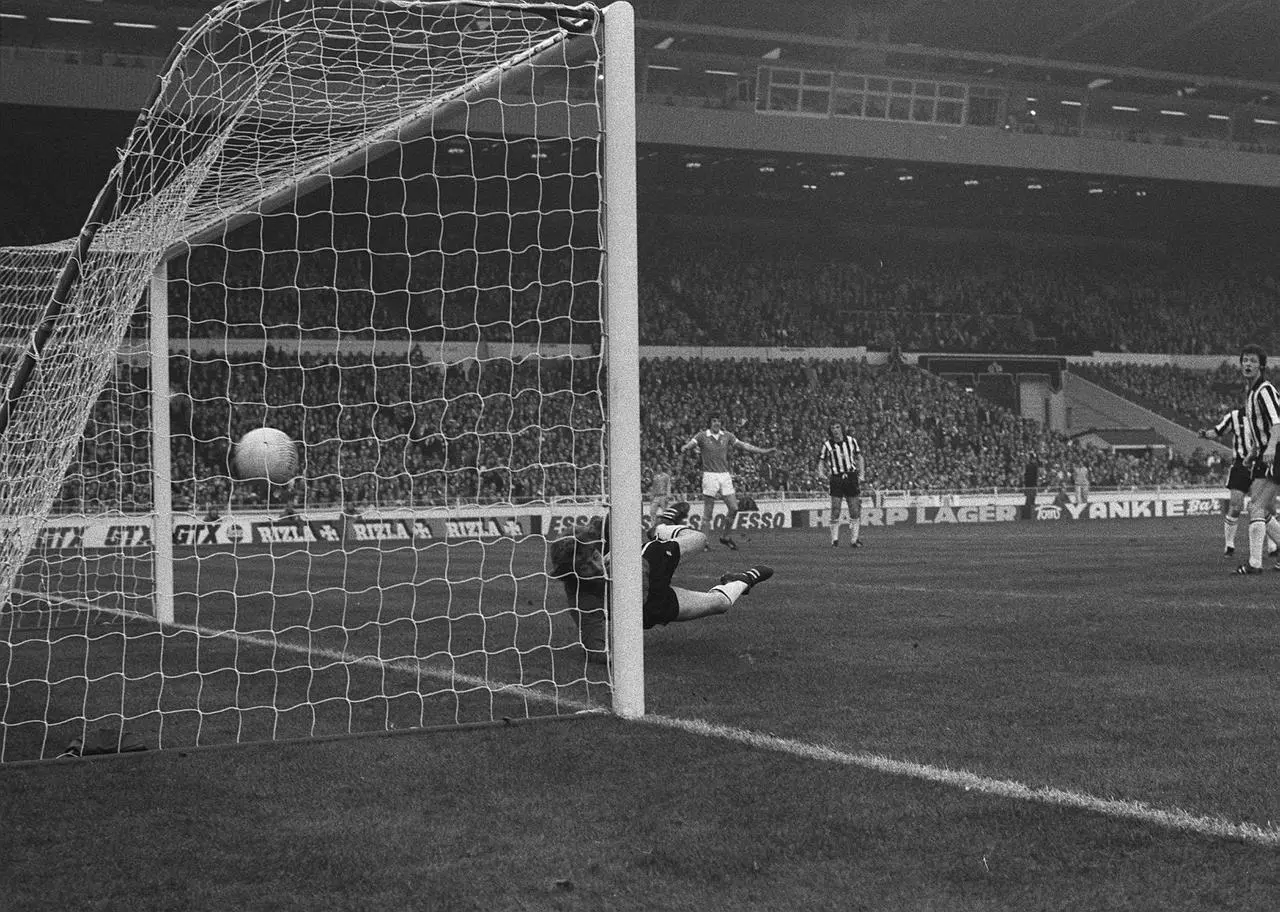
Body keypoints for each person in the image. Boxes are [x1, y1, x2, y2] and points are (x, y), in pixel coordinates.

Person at [549, 503, 774, 664]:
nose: (596, 567)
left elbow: (615, 516)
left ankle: (662, 527)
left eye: (595, 557)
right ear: (573, 575)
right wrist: (609, 651)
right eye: (586, 568)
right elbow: (595, 649)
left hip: (646, 565)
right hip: (649, 606)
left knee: (699, 539)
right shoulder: (583, 600)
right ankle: (742, 579)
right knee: (721, 604)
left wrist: (619, 552)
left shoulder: (595, 534)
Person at [679, 415, 776, 551]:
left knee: (734, 508)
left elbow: (744, 446)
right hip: (710, 475)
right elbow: (692, 443)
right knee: (708, 512)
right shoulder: (702, 436)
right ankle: (703, 543)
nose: (716, 423)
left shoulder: (727, 436)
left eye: (718, 421)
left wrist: (763, 451)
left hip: (724, 475)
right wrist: (685, 447)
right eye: (714, 421)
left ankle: (725, 537)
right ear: (710, 423)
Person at [1199, 406, 1277, 559]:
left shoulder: (1267, 417)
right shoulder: (1234, 416)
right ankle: (1229, 545)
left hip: (1261, 463)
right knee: (1236, 505)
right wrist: (1205, 434)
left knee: (1269, 507)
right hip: (1241, 465)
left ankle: (1272, 546)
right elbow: (1218, 431)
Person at [1234, 344, 1280, 575]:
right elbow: (1259, 429)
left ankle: (1255, 564)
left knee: (1257, 506)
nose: (1247, 364)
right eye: (1244, 360)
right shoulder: (1252, 394)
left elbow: (1277, 422)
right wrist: (1253, 452)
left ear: (1261, 365)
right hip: (1264, 455)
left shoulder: (1265, 390)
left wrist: (1271, 447)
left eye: (1252, 360)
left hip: (1277, 453)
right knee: (1262, 506)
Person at [818, 421, 865, 548]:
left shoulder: (851, 441)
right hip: (836, 478)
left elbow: (859, 457)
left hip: (851, 476)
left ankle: (854, 540)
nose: (835, 430)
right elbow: (821, 460)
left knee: (854, 510)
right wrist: (820, 472)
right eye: (833, 428)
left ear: (842, 429)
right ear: (830, 430)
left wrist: (862, 474)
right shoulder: (827, 445)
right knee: (835, 509)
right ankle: (834, 540)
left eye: (838, 427)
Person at [647, 463, 675, 529]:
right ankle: (653, 526)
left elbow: (668, 486)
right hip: (656, 496)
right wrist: (652, 495)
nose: (659, 468)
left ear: (662, 468)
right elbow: (653, 487)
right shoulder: (655, 476)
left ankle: (666, 526)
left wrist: (668, 496)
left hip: (663, 496)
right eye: (657, 467)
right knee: (652, 511)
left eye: (660, 467)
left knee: (665, 512)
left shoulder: (666, 476)